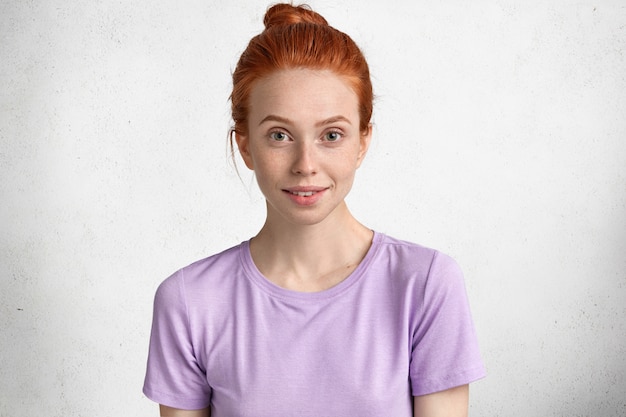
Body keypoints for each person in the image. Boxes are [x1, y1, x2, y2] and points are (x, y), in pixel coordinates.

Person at [143, 3, 486, 416]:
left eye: (332, 134)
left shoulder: (426, 286)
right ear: (245, 145)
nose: (306, 164)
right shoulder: (189, 302)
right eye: (280, 134)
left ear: (362, 142)